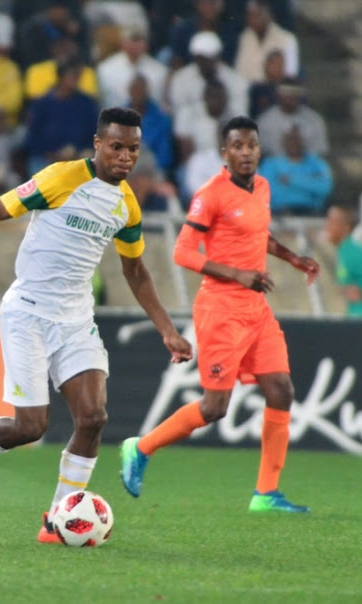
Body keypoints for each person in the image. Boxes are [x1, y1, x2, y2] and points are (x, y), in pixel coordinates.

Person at [0, 107, 192, 543]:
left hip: (76, 318)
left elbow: (136, 271)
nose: (125, 157)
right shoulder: (61, 178)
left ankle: (56, 522)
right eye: (117, 147)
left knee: (93, 417)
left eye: (134, 149)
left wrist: (166, 329)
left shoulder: (127, 205)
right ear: (98, 143)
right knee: (31, 427)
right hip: (27, 311)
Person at [120, 116, 321, 513]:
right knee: (215, 408)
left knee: (281, 390)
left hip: (255, 308)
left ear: (259, 149)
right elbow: (182, 252)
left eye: (252, 145)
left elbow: (257, 234)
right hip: (221, 308)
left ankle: (265, 494)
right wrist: (237, 274)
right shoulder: (210, 195)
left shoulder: (262, 188)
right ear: (224, 153)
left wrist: (294, 258)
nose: (246, 152)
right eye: (238, 146)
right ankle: (140, 448)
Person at [259, 126, 333, 216]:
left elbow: (325, 188)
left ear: (303, 141)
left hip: (312, 212)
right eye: (289, 139)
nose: (293, 143)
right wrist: (309, 184)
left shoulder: (317, 164)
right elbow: (268, 192)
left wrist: (291, 180)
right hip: (279, 213)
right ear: (283, 142)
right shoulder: (270, 164)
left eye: (296, 139)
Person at [325, 204, 362, 317]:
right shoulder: (344, 250)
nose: (327, 227)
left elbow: (352, 291)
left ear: (345, 227)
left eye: (332, 223)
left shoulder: (351, 252)